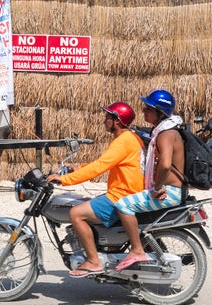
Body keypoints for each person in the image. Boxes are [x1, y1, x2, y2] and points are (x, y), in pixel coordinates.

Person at [47, 102, 144, 277]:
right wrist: (79, 168)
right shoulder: (129, 137)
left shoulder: (124, 140)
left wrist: (65, 179)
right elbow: (104, 162)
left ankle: (93, 261)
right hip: (127, 191)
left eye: (108, 117)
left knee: (76, 213)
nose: (104, 121)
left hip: (122, 195)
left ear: (117, 120)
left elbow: (100, 166)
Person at [110, 88, 185, 272]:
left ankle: (136, 250)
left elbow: (166, 165)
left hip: (171, 192)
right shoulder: (161, 131)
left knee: (122, 205)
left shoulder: (165, 134)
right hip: (171, 189)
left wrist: (157, 188)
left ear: (160, 112)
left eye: (148, 108)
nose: (143, 111)